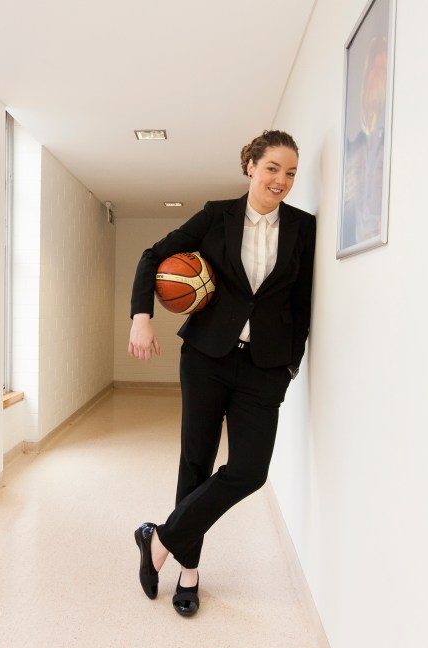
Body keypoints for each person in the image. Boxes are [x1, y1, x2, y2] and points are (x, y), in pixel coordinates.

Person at [128, 130, 316, 616]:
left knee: (250, 471)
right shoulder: (217, 215)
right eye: (273, 167)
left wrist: (289, 363)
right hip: (207, 358)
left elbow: (301, 303)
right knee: (197, 461)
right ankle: (189, 573)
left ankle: (158, 540)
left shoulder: (303, 228)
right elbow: (153, 256)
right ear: (250, 165)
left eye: (291, 172)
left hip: (265, 368)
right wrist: (141, 317)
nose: (282, 180)